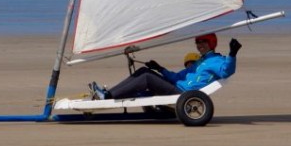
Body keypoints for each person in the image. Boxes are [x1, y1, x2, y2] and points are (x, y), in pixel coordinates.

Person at [90, 34, 241, 100]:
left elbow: (226, 71)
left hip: (183, 93)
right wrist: (160, 68)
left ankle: (108, 96)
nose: (200, 45)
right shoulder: (199, 62)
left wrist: (232, 54)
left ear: (212, 43)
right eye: (198, 42)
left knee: (147, 77)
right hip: (176, 85)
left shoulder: (217, 60)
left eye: (203, 42)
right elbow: (177, 77)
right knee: (145, 71)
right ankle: (108, 93)